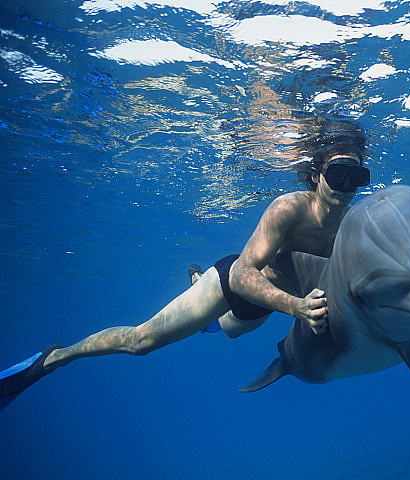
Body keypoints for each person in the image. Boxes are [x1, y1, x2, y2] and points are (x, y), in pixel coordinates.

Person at [0, 120, 370, 405]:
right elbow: (242, 274)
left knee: (228, 330)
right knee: (141, 341)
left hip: (264, 306)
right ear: (315, 175)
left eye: (356, 176)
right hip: (234, 285)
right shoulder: (289, 209)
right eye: (337, 173)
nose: (346, 186)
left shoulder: (355, 223)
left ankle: (197, 290)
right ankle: (53, 359)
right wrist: (296, 307)